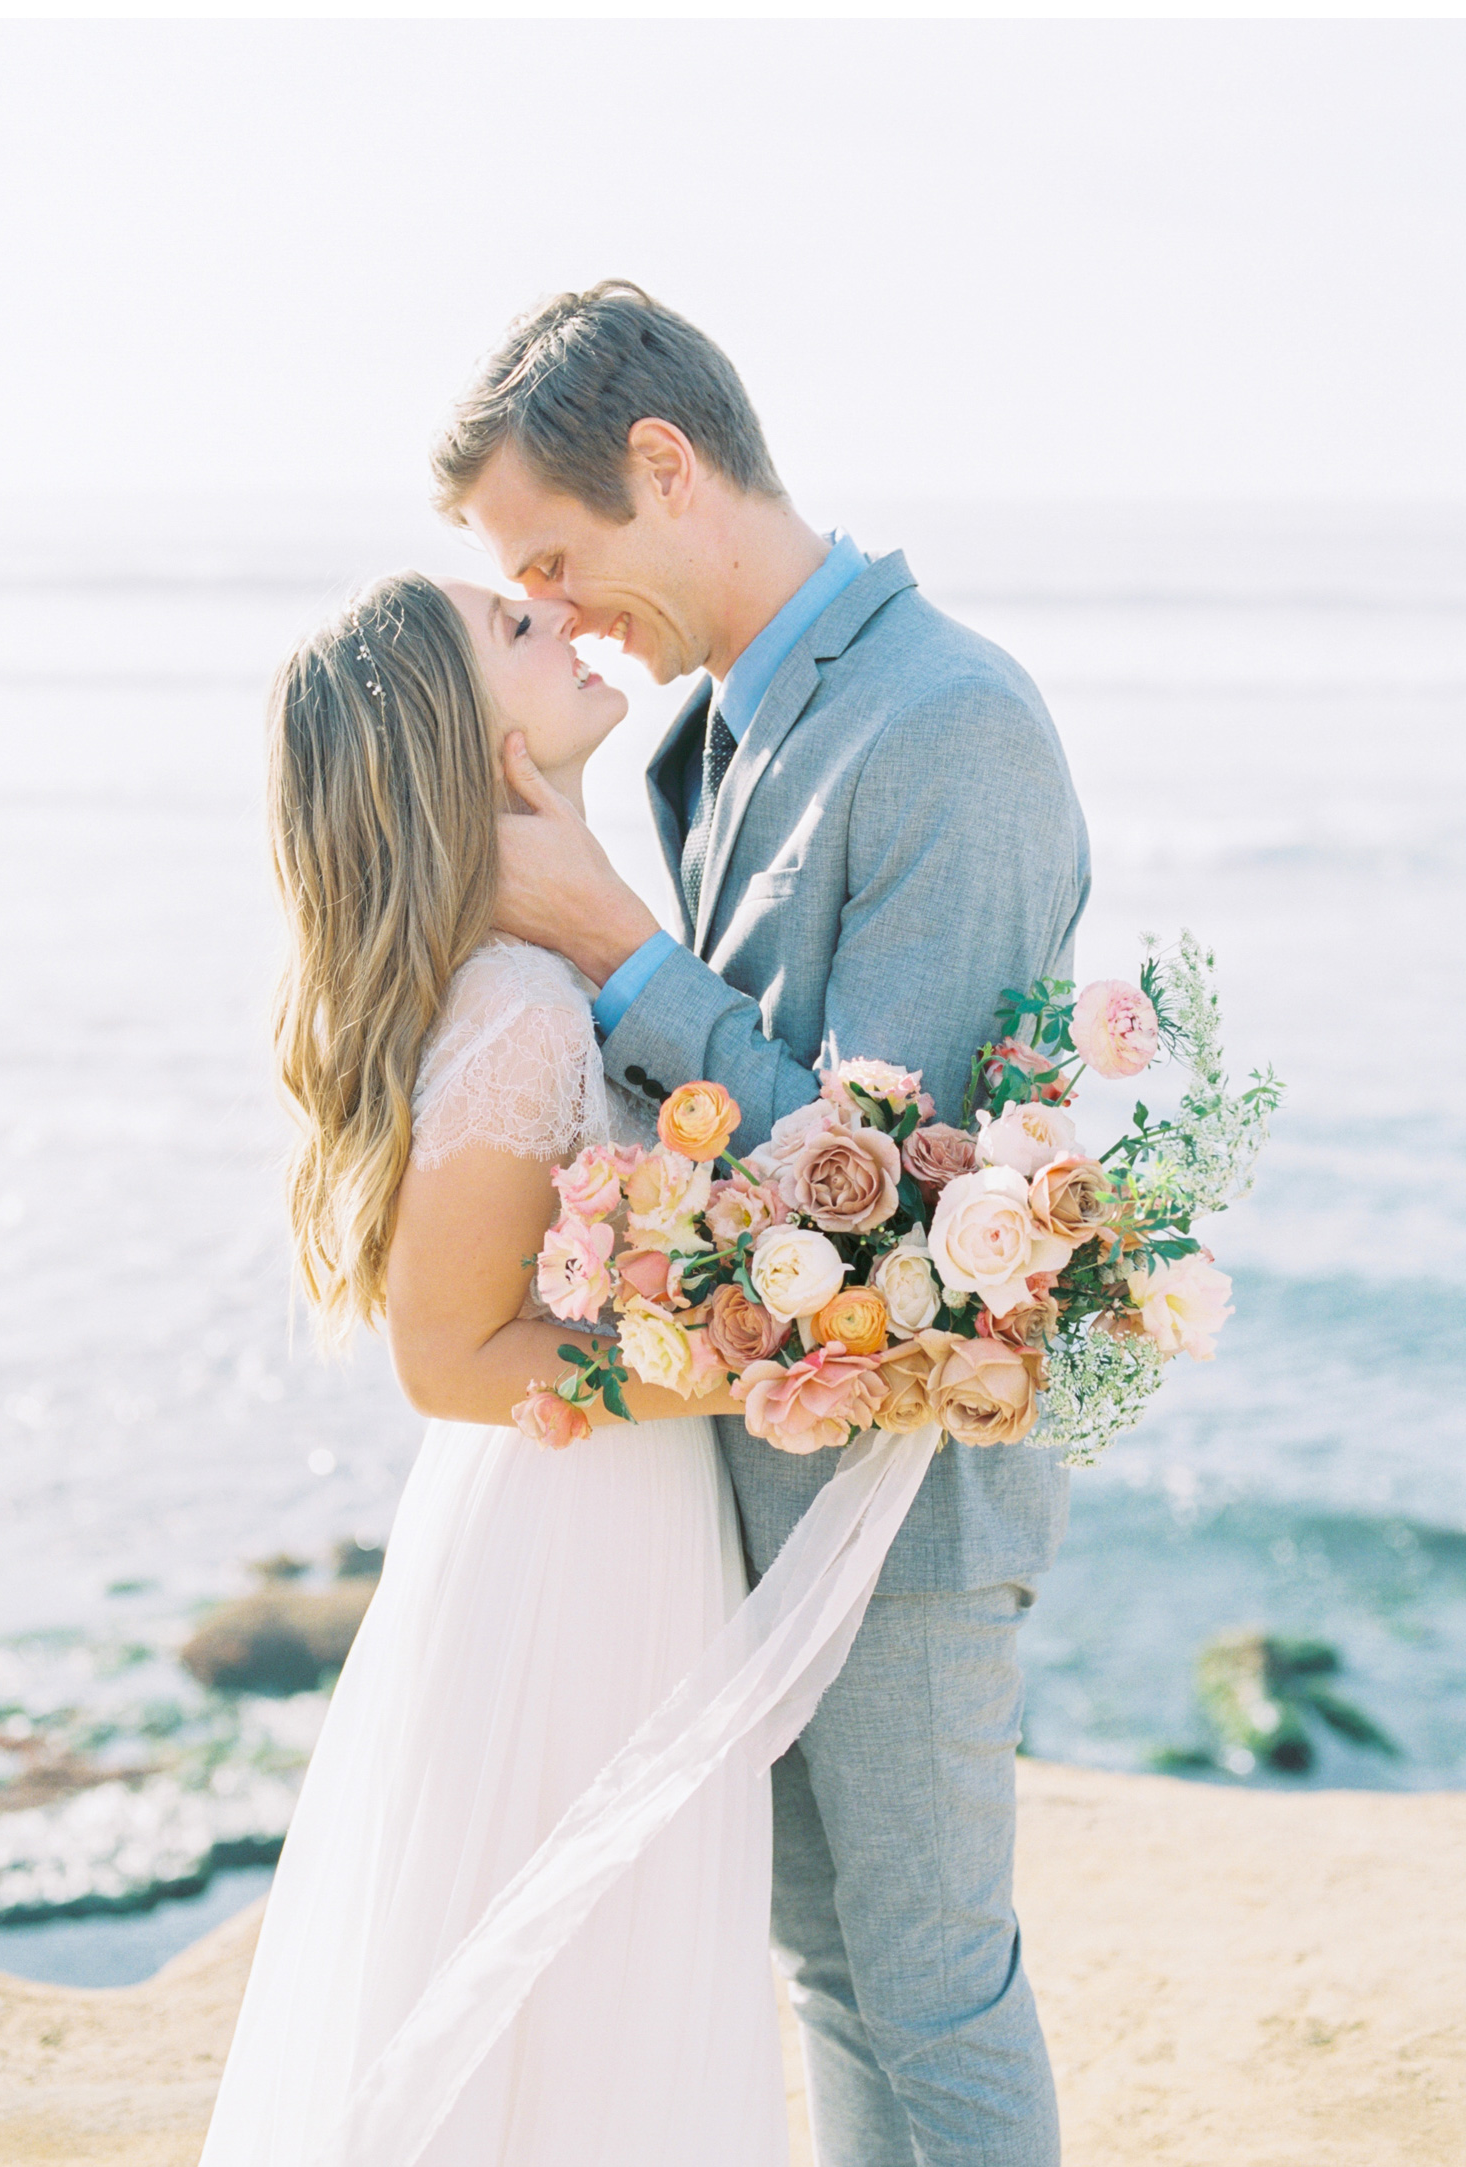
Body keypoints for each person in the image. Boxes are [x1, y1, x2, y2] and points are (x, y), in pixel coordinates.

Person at [432, 279, 1091, 2167]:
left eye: (556, 557)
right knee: (832, 1967)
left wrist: (614, 950)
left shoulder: (945, 722)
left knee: (932, 1987)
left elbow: (896, 1213)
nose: (554, 614)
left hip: (903, 1499)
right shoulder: (704, 743)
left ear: (667, 464)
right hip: (766, 1472)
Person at [198, 571, 789, 2165]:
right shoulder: (523, 1007)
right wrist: (749, 1358)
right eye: (514, 633)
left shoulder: (549, 965)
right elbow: (450, 1355)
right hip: (567, 1560)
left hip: (604, 1517)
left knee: (591, 2013)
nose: (565, 623)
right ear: (462, 744)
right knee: (571, 2014)